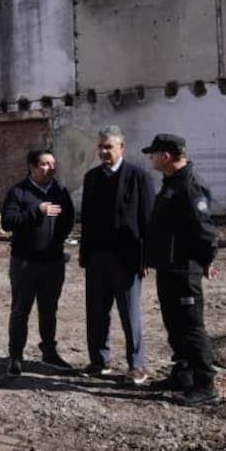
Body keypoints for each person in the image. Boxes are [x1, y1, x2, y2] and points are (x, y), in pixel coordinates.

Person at [142, 133, 220, 407]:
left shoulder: (188, 184)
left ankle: (205, 383)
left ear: (166, 156)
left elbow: (205, 229)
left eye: (153, 153)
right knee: (174, 324)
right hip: (169, 266)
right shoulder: (172, 183)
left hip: (185, 269)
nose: (150, 158)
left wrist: (208, 258)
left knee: (190, 326)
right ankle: (183, 374)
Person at [79, 126, 155, 383]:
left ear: (122, 147)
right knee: (97, 312)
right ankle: (100, 361)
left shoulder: (138, 177)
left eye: (108, 147)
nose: (103, 151)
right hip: (97, 257)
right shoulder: (91, 178)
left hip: (127, 258)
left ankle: (137, 365)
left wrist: (146, 258)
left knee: (129, 314)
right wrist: (85, 254)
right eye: (100, 147)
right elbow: (87, 220)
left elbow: (148, 221)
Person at [0, 149, 75, 376]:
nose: (50, 168)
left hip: (53, 262)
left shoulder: (60, 191)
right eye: (44, 164)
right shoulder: (19, 192)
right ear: (32, 167)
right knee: (20, 310)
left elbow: (69, 219)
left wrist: (56, 243)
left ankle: (49, 352)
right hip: (25, 263)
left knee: (49, 309)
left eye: (53, 164)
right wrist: (36, 211)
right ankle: (15, 356)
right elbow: (8, 221)